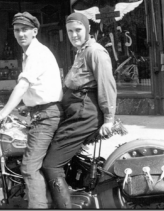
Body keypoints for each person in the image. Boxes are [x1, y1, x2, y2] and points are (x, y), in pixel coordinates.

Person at [0, 11, 63, 208]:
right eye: (17, 30)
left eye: (25, 30)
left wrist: (3, 113)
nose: (21, 34)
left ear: (35, 31)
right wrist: (19, 108)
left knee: (29, 167)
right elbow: (34, 89)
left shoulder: (37, 53)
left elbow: (22, 86)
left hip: (46, 116)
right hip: (40, 112)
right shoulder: (28, 53)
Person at [42, 12, 117, 208]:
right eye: (70, 31)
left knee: (51, 165)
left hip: (84, 115)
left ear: (88, 29)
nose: (74, 35)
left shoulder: (95, 52)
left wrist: (109, 119)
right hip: (77, 113)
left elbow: (107, 84)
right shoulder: (81, 51)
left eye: (78, 30)